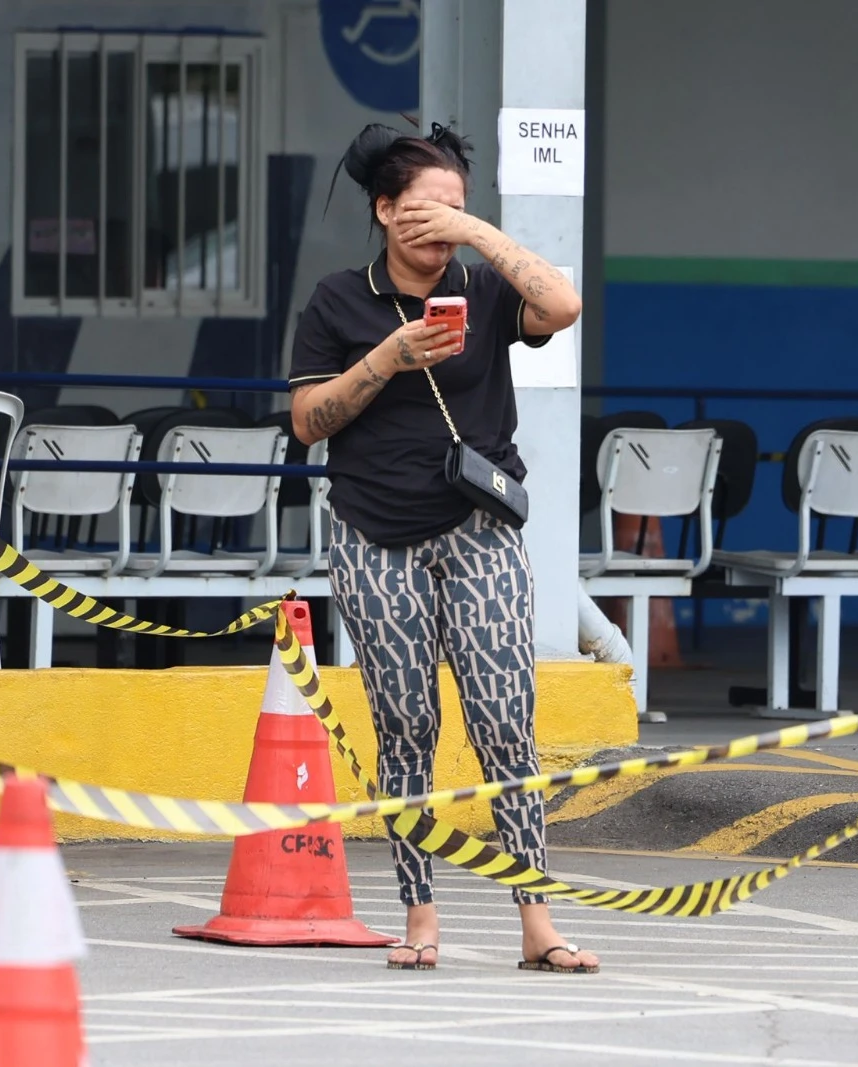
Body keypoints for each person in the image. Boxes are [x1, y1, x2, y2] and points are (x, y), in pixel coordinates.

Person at [287, 123, 597, 973]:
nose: (441, 224)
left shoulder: (486, 286)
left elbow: (563, 307)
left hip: (479, 529)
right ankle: (420, 914)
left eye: (456, 209)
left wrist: (480, 234)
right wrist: (387, 356)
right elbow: (309, 422)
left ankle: (537, 918)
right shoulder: (338, 300)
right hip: (372, 534)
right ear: (385, 211)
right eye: (426, 208)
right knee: (406, 725)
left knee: (505, 719)